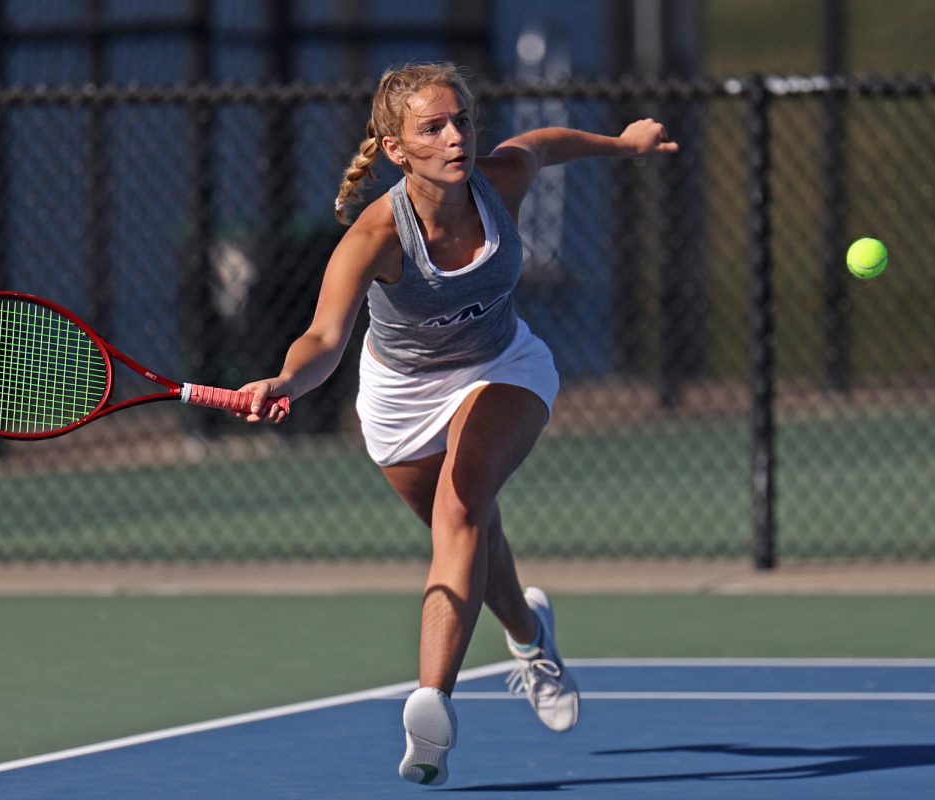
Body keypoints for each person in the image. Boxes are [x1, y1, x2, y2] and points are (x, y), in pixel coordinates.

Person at [235, 62, 678, 785]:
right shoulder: (374, 238)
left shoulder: (499, 182)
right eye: (432, 128)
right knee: (471, 539)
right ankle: (530, 637)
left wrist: (624, 146)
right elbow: (322, 340)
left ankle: (431, 704)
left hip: (502, 367)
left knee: (461, 508)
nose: (455, 138)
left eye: (461, 121)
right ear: (394, 150)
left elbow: (544, 143)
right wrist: (286, 380)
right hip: (400, 397)